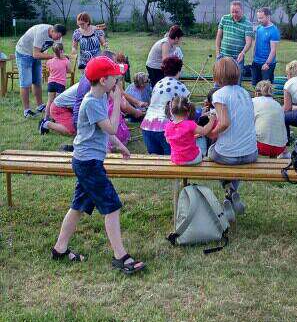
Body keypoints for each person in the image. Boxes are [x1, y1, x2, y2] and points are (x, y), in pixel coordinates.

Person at [51, 55, 146, 274]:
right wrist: (118, 101)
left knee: (78, 207)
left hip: (87, 162)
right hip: (88, 164)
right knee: (112, 206)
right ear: (104, 80)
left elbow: (106, 131)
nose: (118, 80)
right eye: (115, 77)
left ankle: (59, 249)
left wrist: (120, 145)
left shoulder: (100, 97)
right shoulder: (92, 102)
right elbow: (111, 126)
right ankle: (121, 256)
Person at [208, 57, 258, 215]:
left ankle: (229, 190)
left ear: (217, 75)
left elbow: (224, 123)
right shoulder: (245, 93)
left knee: (211, 152)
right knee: (233, 157)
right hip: (251, 153)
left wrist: (211, 133)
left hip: (228, 155)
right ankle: (231, 195)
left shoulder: (219, 95)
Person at [15, 23, 67, 117]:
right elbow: (36, 54)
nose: (58, 39)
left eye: (60, 37)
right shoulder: (41, 32)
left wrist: (62, 57)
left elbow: (58, 51)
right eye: (57, 36)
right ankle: (27, 110)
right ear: (52, 31)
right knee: (26, 82)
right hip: (24, 53)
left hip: (37, 54)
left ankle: (40, 106)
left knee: (37, 81)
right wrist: (53, 57)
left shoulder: (58, 36)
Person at [141, 56, 189, 154]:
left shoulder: (158, 84)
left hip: (147, 125)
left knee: (155, 159)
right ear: (179, 70)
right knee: (170, 159)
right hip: (166, 128)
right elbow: (186, 110)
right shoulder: (180, 87)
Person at [164, 96, 215, 165]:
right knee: (200, 150)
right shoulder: (190, 124)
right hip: (192, 159)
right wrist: (212, 120)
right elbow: (204, 131)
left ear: (171, 111)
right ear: (188, 111)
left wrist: (189, 138)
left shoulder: (168, 126)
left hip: (176, 160)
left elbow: (168, 141)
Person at [215, 0, 253, 83]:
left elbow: (249, 42)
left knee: (236, 82)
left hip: (237, 58)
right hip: (222, 56)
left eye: (236, 12)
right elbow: (219, 37)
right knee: (219, 81)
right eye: (232, 12)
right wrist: (218, 53)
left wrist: (243, 53)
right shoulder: (224, 19)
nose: (234, 14)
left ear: (242, 11)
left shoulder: (248, 24)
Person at [253, 80, 288, 158]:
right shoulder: (278, 105)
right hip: (280, 148)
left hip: (260, 146)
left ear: (256, 93)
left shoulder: (253, 101)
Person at [41, 44, 72, 127]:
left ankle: (46, 118)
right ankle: (58, 119)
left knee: (50, 101)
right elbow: (69, 70)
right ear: (62, 51)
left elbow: (48, 69)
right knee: (58, 103)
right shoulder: (65, 61)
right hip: (60, 84)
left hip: (51, 83)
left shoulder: (50, 61)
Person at [251, 7, 281, 86]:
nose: (259, 20)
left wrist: (267, 63)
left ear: (268, 16)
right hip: (256, 62)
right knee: (255, 86)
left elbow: (273, 50)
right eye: (258, 18)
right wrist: (253, 57)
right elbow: (256, 43)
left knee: (266, 88)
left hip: (267, 64)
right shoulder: (259, 28)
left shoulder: (274, 31)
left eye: (261, 18)